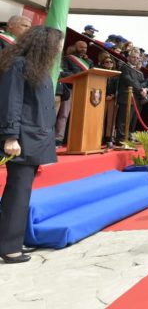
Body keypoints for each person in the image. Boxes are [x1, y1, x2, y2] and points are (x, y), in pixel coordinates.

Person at [0, 26, 63, 264]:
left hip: (36, 138)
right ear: (43, 44)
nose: (58, 48)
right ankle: (9, 247)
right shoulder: (17, 65)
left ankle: (11, 239)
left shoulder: (39, 68)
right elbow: (11, 103)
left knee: (21, 192)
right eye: (56, 44)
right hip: (21, 138)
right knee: (18, 192)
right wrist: (10, 136)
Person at [55, 40, 94, 145]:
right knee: (64, 115)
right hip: (69, 89)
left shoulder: (89, 62)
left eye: (85, 48)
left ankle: (76, 139)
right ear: (75, 47)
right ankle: (58, 139)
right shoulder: (67, 59)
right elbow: (62, 73)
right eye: (81, 47)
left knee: (80, 115)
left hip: (83, 90)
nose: (83, 49)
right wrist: (78, 74)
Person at [115, 50, 148, 144]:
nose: (135, 59)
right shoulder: (125, 67)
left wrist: (145, 89)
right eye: (133, 57)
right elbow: (129, 80)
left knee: (131, 121)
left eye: (137, 58)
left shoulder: (137, 71)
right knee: (124, 119)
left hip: (136, 98)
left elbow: (142, 82)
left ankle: (128, 138)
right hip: (126, 97)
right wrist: (141, 89)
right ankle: (121, 139)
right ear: (128, 57)